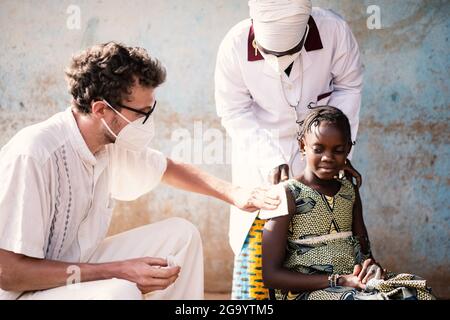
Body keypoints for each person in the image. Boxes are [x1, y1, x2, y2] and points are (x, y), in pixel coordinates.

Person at [0, 42, 280, 300]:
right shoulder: (34, 154)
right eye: (140, 113)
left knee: (180, 237)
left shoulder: (109, 141)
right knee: (119, 291)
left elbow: (167, 168)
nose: (147, 122)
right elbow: (9, 273)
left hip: (76, 265)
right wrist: (117, 270)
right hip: (25, 292)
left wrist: (237, 194)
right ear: (101, 109)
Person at [215, 0, 362, 299]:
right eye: (271, 53)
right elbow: (234, 112)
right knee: (259, 265)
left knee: (324, 249)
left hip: (321, 150)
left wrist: (334, 149)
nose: (278, 60)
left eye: (287, 53)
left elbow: (349, 87)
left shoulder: (334, 31)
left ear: (307, 28)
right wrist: (269, 158)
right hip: (260, 156)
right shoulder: (233, 45)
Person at [261, 106, 435, 300]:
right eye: (318, 149)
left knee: (417, 293)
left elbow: (364, 252)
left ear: (348, 150)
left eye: (338, 150)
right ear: (303, 146)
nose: (327, 157)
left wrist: (371, 268)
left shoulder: (349, 191)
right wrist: (338, 280)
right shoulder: (287, 193)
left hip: (353, 284)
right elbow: (270, 276)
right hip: (307, 291)